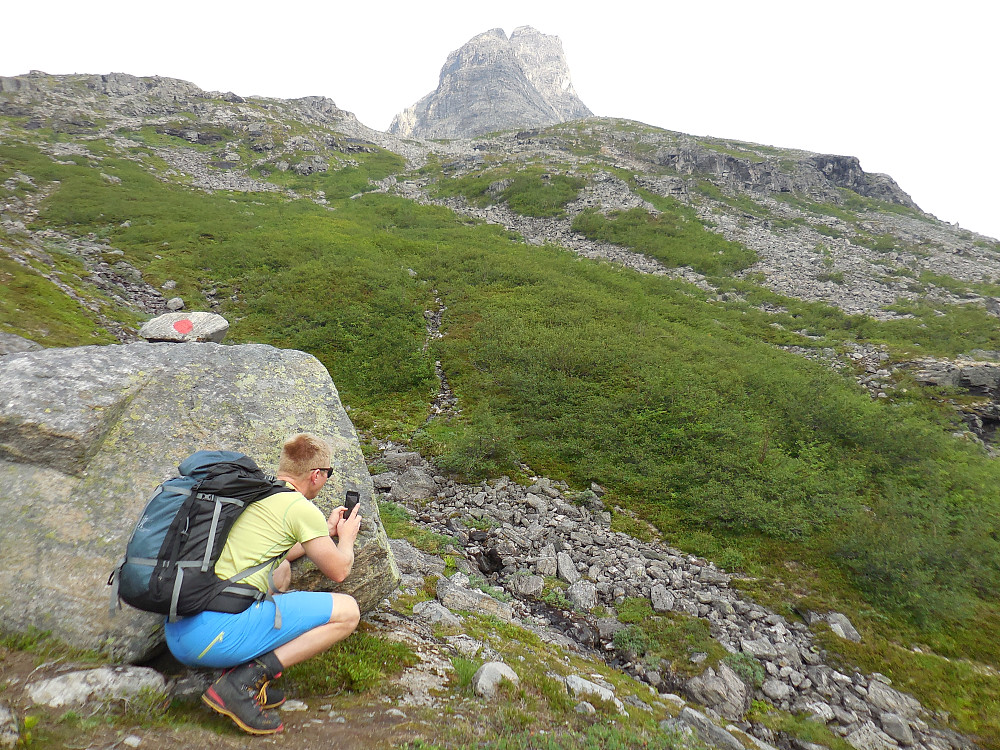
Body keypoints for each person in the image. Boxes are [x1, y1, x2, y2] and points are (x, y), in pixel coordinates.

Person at [163, 433, 362, 735]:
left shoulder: (256, 493)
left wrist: (326, 532)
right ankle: (241, 682)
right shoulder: (299, 507)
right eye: (327, 473)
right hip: (213, 639)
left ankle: (237, 675)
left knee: (280, 571)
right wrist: (346, 539)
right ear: (316, 475)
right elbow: (339, 571)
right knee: (348, 611)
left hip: (180, 634)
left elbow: (274, 551)